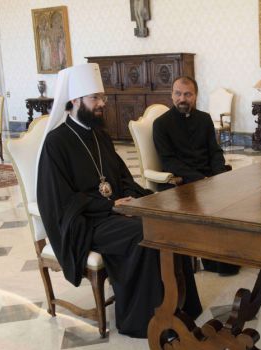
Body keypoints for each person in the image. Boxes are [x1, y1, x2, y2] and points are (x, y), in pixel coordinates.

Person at [36, 63, 202, 338]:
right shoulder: (56, 143)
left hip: (115, 209)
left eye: (102, 97)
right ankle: (146, 320)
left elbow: (121, 177)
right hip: (87, 222)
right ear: (75, 101)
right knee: (145, 233)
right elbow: (62, 201)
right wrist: (110, 205)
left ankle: (181, 307)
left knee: (168, 218)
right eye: (95, 99)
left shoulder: (99, 134)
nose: (102, 103)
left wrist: (142, 198)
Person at [153, 75, 240, 276]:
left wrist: (219, 176)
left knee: (236, 199)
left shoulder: (204, 118)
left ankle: (231, 256)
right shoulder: (161, 124)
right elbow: (169, 161)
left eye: (187, 94)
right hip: (181, 181)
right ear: (171, 95)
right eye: (178, 93)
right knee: (209, 203)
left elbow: (215, 151)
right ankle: (212, 260)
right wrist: (201, 180)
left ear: (195, 96)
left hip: (209, 177)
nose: (182, 98)